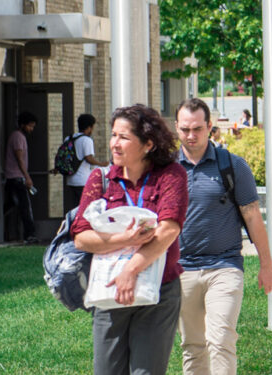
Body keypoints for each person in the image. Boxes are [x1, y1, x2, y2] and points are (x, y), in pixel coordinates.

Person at [71, 104, 187, 375]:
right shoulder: (100, 179)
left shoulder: (171, 176)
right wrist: (126, 238)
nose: (114, 143)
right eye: (113, 135)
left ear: (148, 144)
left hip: (158, 290)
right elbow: (81, 237)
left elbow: (168, 230)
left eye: (123, 137)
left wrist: (131, 269)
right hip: (109, 290)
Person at [174, 99, 272, 375]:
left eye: (197, 128)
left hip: (224, 266)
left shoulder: (232, 166)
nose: (191, 136)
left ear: (210, 127)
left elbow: (253, 216)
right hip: (182, 269)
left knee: (220, 340)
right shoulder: (168, 170)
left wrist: (266, 265)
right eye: (185, 129)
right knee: (193, 345)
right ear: (176, 128)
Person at [64, 114, 110, 212]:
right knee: (83, 209)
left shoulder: (69, 138)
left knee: (73, 209)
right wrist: (102, 164)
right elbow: (89, 158)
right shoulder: (86, 140)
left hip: (69, 179)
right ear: (89, 127)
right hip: (82, 180)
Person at [6, 111, 38, 244]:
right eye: (30, 126)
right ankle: (29, 235)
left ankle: (14, 233)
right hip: (17, 177)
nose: (31, 129)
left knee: (12, 204)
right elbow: (20, 159)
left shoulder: (18, 136)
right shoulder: (18, 137)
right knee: (25, 207)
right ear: (23, 124)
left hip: (14, 177)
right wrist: (27, 177)